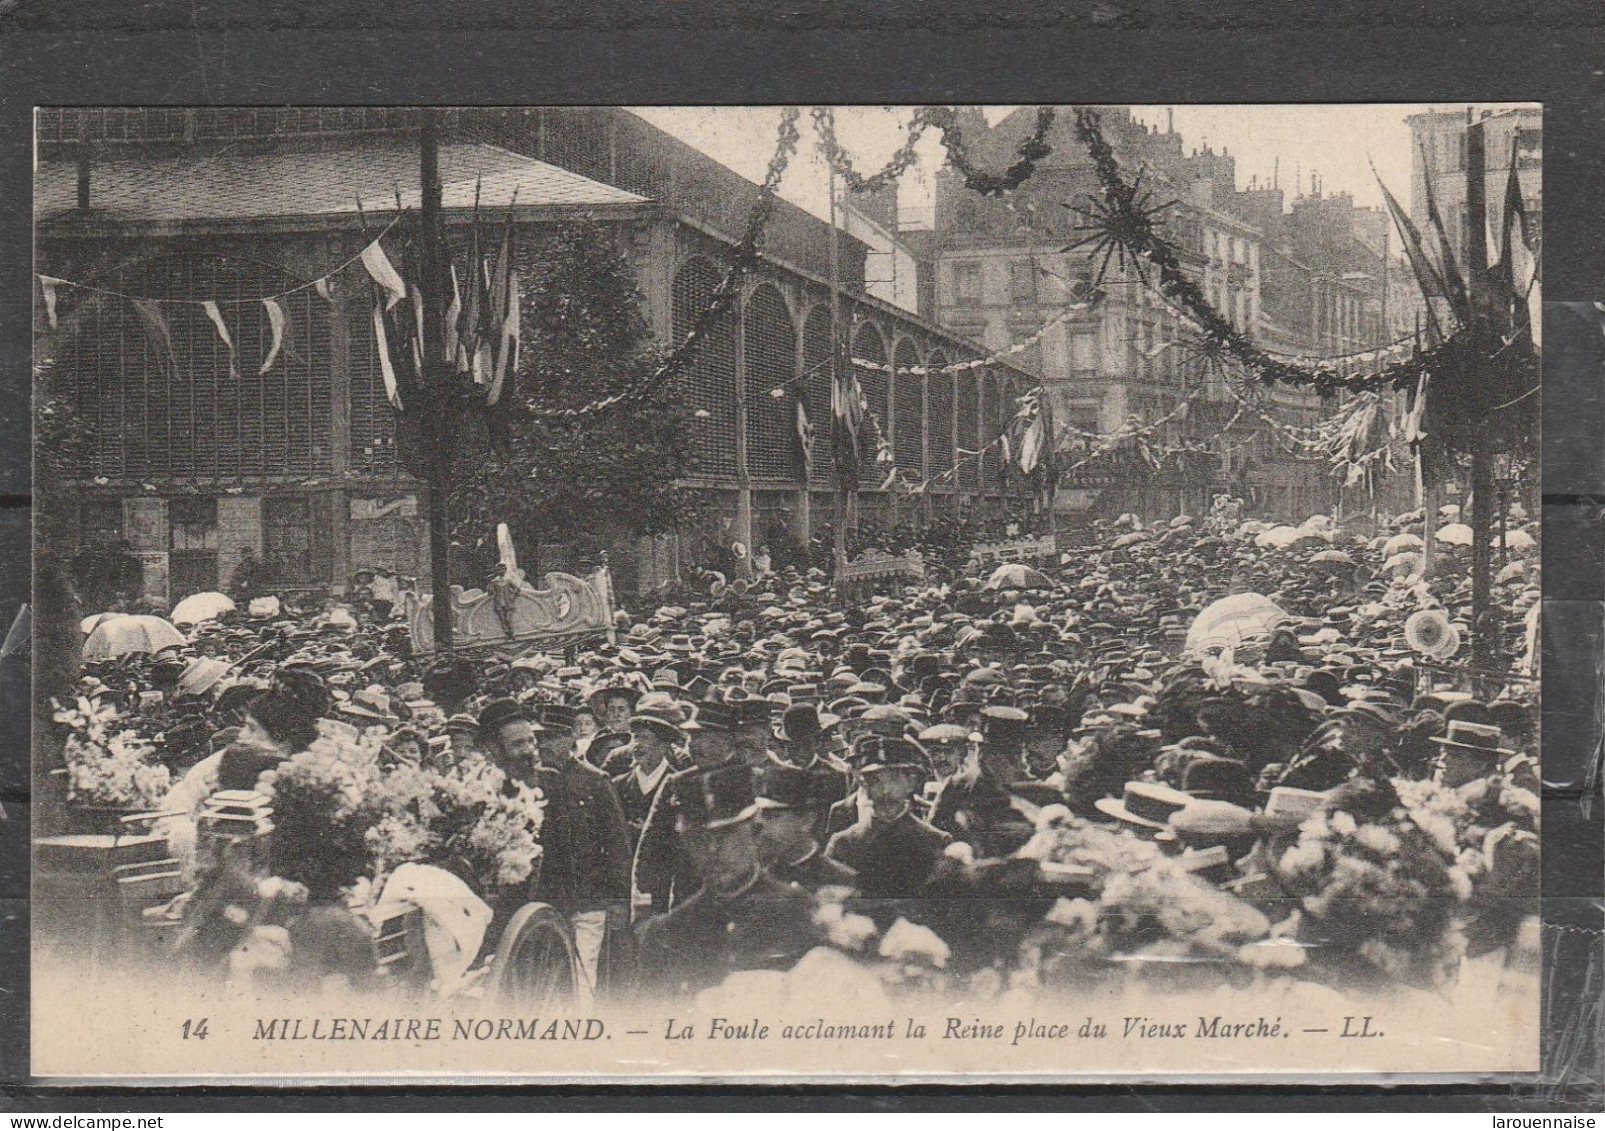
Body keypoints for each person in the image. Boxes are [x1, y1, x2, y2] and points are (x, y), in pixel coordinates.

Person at [635, 765, 821, 998]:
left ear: (755, 831)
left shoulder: (800, 913)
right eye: (700, 840)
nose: (713, 851)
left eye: (725, 836)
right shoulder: (669, 932)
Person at [826, 735, 950, 906]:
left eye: (893, 779)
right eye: (875, 781)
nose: (885, 790)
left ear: (911, 783)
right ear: (865, 786)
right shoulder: (845, 844)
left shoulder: (935, 841)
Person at [753, 762, 857, 891]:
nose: (759, 822)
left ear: (807, 821)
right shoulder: (755, 880)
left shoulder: (843, 882)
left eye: (772, 816)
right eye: (757, 815)